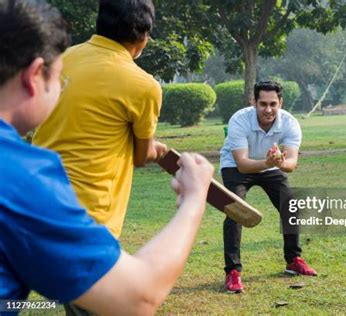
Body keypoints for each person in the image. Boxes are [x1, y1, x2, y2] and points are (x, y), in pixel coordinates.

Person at [0, 1, 214, 314]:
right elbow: (137, 298)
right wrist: (195, 197)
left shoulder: (70, 56)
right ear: (34, 76)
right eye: (58, 80)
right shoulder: (22, 178)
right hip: (87, 210)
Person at [32, 0, 167, 238]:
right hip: (88, 213)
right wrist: (156, 149)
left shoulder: (59, 60)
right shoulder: (144, 86)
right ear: (144, 35)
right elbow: (141, 155)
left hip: (35, 196)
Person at [219, 80, 316, 294]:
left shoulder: (290, 123)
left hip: (270, 166)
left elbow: (291, 164)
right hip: (236, 167)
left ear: (280, 102)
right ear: (254, 102)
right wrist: (268, 163)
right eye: (263, 104)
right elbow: (243, 164)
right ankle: (233, 272)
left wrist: (279, 163)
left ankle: (293, 260)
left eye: (273, 103)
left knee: (290, 204)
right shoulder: (239, 120)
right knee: (236, 211)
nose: (268, 109)